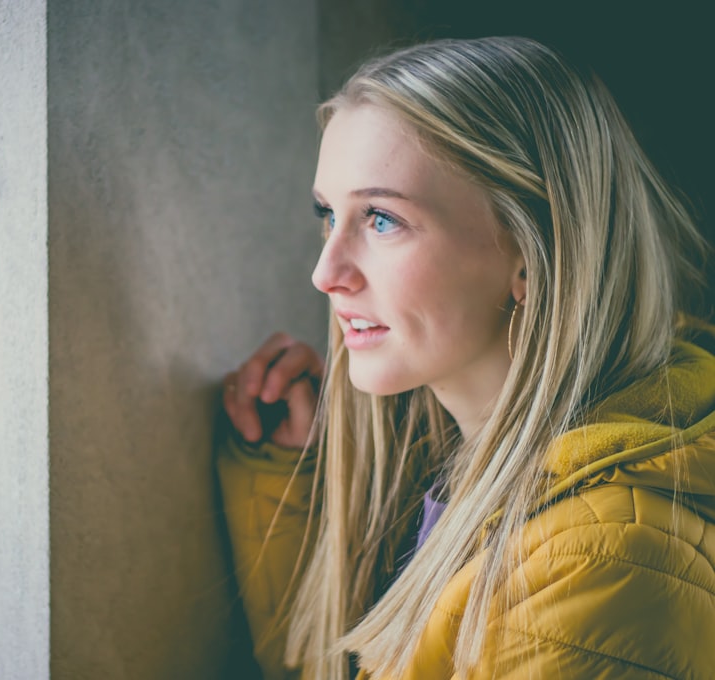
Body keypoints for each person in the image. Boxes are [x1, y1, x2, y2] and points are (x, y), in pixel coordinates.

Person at [216, 36, 714, 680]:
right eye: (328, 215)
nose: (325, 272)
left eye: (382, 219)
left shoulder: (593, 569)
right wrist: (293, 476)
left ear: (535, 253)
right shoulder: (438, 474)